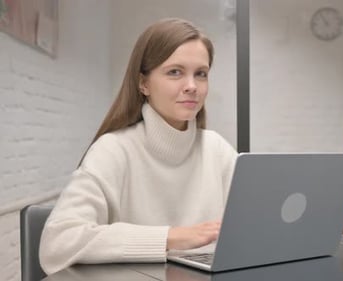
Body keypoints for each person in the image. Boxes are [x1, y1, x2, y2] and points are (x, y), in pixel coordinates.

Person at [39, 18, 238, 275]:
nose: (192, 86)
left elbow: (256, 227)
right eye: (175, 72)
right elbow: (58, 243)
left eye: (200, 74)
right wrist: (170, 238)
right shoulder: (113, 150)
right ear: (144, 83)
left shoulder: (217, 150)